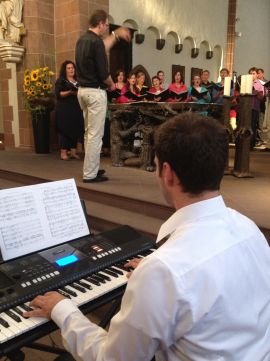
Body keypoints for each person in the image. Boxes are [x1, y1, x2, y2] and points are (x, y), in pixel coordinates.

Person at [24, 113, 270, 361]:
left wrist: (62, 310)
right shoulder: (249, 229)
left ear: (167, 172)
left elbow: (113, 359)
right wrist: (156, 276)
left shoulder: (164, 271)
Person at [75, 9, 130, 183]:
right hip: (95, 92)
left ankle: (91, 168)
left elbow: (102, 47)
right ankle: (90, 174)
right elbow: (103, 73)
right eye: (106, 24)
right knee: (95, 136)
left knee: (88, 134)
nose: (106, 27)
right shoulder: (96, 42)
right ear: (100, 24)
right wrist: (112, 84)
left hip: (82, 92)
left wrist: (115, 35)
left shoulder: (82, 40)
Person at [55, 60, 84, 160]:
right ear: (65, 70)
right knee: (65, 129)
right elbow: (59, 94)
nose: (71, 70)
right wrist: (70, 92)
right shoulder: (61, 81)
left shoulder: (78, 81)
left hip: (76, 108)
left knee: (75, 128)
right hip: (64, 109)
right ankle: (63, 152)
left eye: (72, 68)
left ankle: (73, 152)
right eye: (69, 68)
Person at [249, 67, 265, 148]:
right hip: (246, 107)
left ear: (257, 74)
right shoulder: (247, 82)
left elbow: (262, 97)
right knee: (246, 125)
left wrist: (256, 92)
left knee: (253, 125)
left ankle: (251, 144)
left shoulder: (259, 83)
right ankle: (246, 143)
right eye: (250, 73)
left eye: (253, 73)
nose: (252, 75)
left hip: (254, 107)